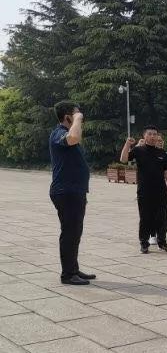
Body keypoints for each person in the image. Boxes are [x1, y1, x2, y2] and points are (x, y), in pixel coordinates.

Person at [49, 101, 94, 285]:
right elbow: (74, 137)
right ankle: (67, 274)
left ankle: (73, 269)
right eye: (75, 114)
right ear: (67, 117)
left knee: (75, 232)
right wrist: (77, 118)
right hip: (65, 192)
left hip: (74, 191)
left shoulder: (66, 133)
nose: (80, 117)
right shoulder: (58, 133)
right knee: (69, 232)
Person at [121, 126, 167, 254]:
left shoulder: (162, 153)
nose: (153, 136)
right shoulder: (139, 150)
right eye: (150, 134)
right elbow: (123, 159)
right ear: (144, 136)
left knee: (162, 217)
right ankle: (144, 243)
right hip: (144, 191)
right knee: (145, 218)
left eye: (155, 134)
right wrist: (127, 144)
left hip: (160, 191)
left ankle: (162, 241)